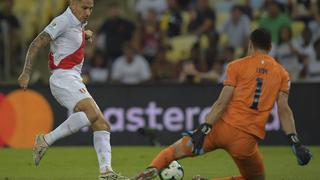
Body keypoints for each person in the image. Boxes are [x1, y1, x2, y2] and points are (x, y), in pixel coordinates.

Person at [132, 28, 312, 180]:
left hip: (219, 129)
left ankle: (150, 170)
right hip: (245, 140)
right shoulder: (282, 74)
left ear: (250, 44)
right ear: (270, 47)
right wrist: (294, 141)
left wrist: (203, 129)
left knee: (173, 151)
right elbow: (284, 110)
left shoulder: (236, 66)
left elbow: (221, 102)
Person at [17, 0, 129, 179]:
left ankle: (106, 172)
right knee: (92, 114)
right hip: (63, 77)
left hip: (74, 78)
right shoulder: (63, 20)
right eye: (84, 8)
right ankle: (45, 140)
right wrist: (26, 72)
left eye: (91, 8)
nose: (88, 12)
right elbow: (36, 43)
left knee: (103, 125)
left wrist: (85, 34)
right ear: (73, 4)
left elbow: (70, 37)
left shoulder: (77, 22)